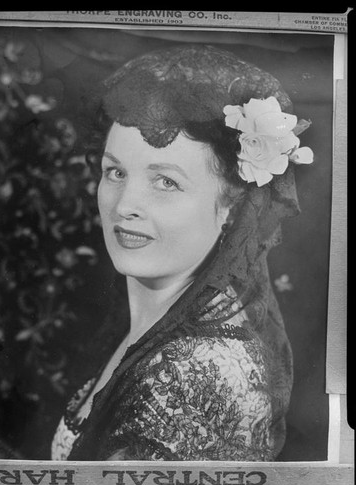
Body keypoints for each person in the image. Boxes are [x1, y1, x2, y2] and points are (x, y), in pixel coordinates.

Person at [51, 44, 313, 461]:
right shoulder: (163, 318)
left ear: (231, 205)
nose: (123, 206)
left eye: (166, 182)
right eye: (115, 172)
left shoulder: (192, 378)